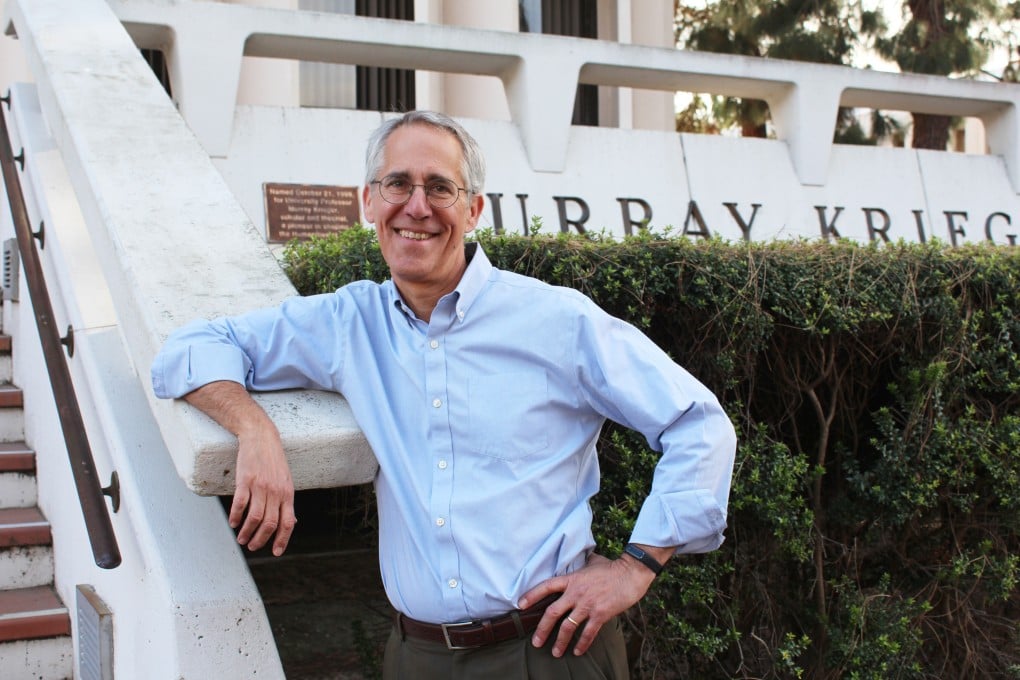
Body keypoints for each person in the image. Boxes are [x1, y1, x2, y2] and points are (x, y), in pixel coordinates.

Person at [151, 110, 737, 679]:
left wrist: (635, 568)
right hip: (417, 658)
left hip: (549, 653)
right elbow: (193, 348)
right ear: (369, 203)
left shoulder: (557, 321)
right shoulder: (350, 323)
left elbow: (699, 424)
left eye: (440, 188)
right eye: (397, 184)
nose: (417, 207)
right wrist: (254, 427)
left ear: (474, 210)